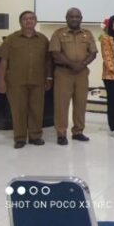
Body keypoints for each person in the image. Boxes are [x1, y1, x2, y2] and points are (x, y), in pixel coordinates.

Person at [0, 11, 52, 149]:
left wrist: (49, 77)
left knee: (36, 110)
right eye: (25, 19)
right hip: (16, 82)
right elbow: (3, 61)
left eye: (32, 18)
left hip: (38, 81)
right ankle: (20, 138)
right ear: (20, 22)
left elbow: (48, 61)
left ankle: (35, 136)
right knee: (18, 110)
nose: (29, 21)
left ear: (36, 21)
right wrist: (0, 81)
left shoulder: (43, 39)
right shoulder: (11, 39)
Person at [49, 8, 97, 145]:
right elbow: (55, 53)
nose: (74, 19)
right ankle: (61, 133)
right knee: (61, 105)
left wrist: (81, 65)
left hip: (82, 74)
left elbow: (93, 53)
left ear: (81, 18)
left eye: (77, 16)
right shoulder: (58, 33)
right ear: (66, 18)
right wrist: (72, 64)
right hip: (63, 73)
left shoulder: (87, 34)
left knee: (80, 104)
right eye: (71, 16)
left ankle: (78, 132)